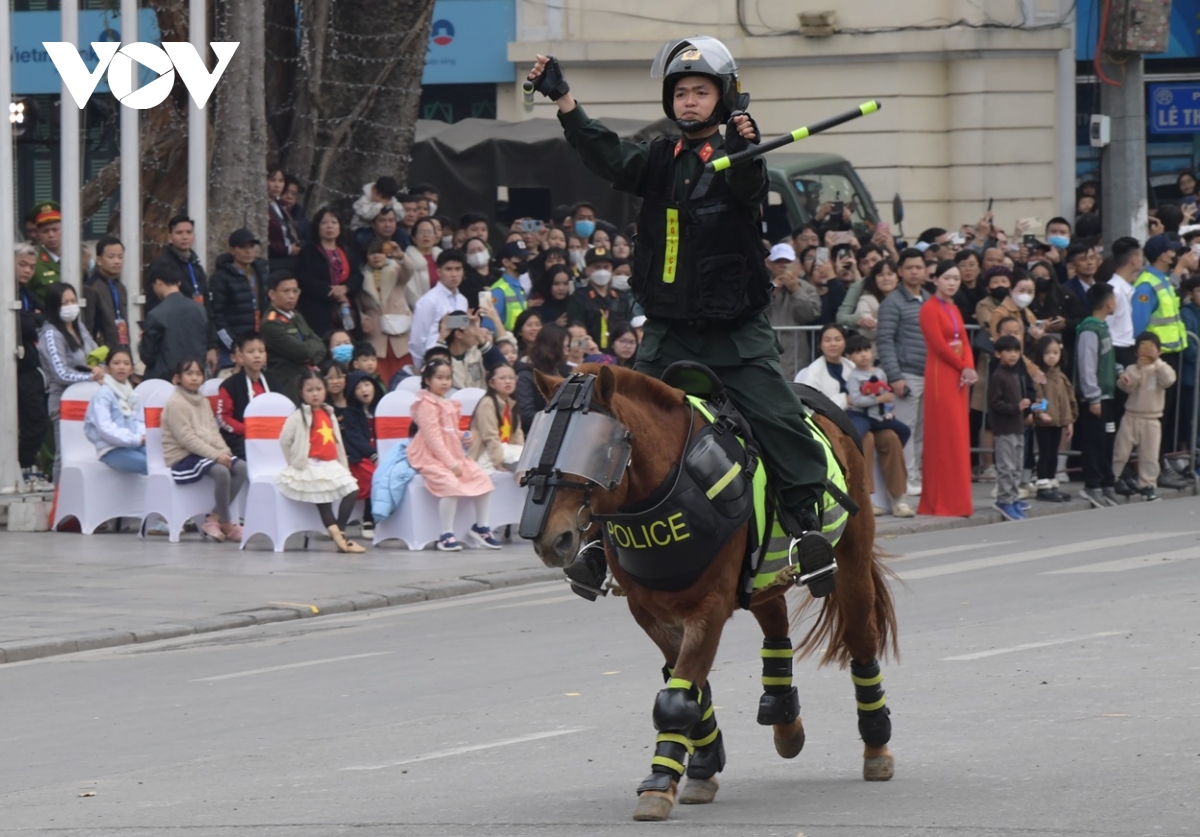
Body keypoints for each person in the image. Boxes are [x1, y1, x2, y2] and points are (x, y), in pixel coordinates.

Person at [531, 38, 844, 600]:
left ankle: (806, 533)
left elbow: (751, 188)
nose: (690, 101)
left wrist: (744, 145)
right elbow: (606, 155)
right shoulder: (655, 159)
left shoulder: (740, 156)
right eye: (681, 92)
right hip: (669, 333)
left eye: (701, 92)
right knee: (611, 421)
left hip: (736, 333)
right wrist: (565, 100)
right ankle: (600, 542)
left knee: (781, 421)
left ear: (722, 100)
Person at [406, 358, 500, 551]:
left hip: (452, 452)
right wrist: (449, 463)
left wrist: (463, 435)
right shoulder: (426, 404)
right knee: (449, 485)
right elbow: (433, 438)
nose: (445, 382)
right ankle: (445, 534)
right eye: (439, 378)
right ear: (427, 380)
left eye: (448, 378)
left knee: (482, 478)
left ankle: (481, 527)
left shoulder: (448, 402)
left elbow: (447, 431)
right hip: (429, 455)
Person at [275, 368, 365, 553]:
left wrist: (341, 462)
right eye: (309, 390)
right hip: (311, 464)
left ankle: (339, 531)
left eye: (318, 389)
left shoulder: (329, 412)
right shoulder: (298, 416)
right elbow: (285, 440)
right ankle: (342, 540)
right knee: (323, 501)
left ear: (325, 390)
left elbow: (337, 439)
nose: (315, 394)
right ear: (301, 393)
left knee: (352, 490)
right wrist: (295, 461)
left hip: (331, 463)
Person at [161, 357, 248, 542]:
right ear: (177, 378)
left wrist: (225, 452)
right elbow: (187, 439)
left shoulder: (203, 401)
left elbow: (213, 431)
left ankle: (213, 518)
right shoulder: (175, 403)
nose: (194, 378)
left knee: (241, 468)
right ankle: (226, 523)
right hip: (183, 456)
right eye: (189, 373)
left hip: (204, 453)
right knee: (221, 471)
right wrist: (216, 456)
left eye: (198, 374)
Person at [918, 260, 977, 517]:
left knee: (958, 437)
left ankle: (958, 501)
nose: (952, 283)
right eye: (947, 278)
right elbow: (939, 346)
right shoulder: (929, 309)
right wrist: (963, 366)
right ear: (936, 280)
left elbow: (964, 339)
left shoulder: (953, 307)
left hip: (958, 374)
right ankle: (942, 502)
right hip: (941, 374)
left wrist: (969, 367)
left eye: (956, 278)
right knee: (945, 437)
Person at [1132, 234, 1190, 486]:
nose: (1174, 254)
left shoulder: (1162, 280)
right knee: (1158, 417)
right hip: (1157, 360)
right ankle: (1156, 467)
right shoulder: (1146, 285)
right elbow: (1140, 328)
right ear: (1160, 254)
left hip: (1171, 357)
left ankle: (1163, 461)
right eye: (1170, 251)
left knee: (1167, 416)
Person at [38, 282, 104, 482]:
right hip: (64, 402)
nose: (70, 306)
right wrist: (91, 376)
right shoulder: (50, 333)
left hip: (88, 399)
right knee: (66, 454)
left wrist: (100, 367)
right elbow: (61, 373)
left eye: (73, 301)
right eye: (64, 302)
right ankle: (61, 501)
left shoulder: (79, 327)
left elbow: (94, 352)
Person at [877, 248, 930, 494]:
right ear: (900, 271)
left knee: (922, 429)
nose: (914, 271)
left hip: (930, 374)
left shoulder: (930, 299)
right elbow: (885, 340)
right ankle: (907, 478)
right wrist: (895, 377)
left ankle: (917, 474)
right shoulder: (892, 302)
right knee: (906, 428)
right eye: (909, 267)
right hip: (906, 374)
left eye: (919, 267)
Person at [844, 333, 913, 518]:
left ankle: (899, 498)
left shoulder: (879, 372)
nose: (864, 355)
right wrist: (879, 399)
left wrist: (888, 408)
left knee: (898, 434)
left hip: (880, 417)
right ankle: (866, 498)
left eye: (866, 350)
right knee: (859, 438)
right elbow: (857, 401)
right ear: (850, 357)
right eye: (858, 352)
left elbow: (887, 395)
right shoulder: (853, 377)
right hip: (862, 416)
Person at [143, 215, 217, 373]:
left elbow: (208, 308)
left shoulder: (197, 267)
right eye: (179, 233)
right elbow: (154, 306)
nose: (185, 237)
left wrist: (212, 345)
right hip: (172, 339)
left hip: (197, 335)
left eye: (189, 232)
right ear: (170, 237)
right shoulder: (163, 265)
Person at [1112, 332, 1177, 500]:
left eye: (1151, 348)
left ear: (1159, 351)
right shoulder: (1132, 369)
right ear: (1136, 352)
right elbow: (1125, 386)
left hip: (1152, 419)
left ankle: (1148, 486)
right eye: (1143, 348)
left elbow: (1169, 380)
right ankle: (1113, 478)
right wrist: (1138, 371)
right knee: (1121, 451)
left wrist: (1157, 362)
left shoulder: (1161, 368)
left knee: (1150, 455)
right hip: (1131, 416)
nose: (1147, 352)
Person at [1075, 283, 1120, 508]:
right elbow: (1087, 365)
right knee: (1094, 441)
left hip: (1108, 395)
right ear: (1108, 302)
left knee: (1107, 440)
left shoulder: (1103, 328)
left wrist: (1119, 371)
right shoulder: (1089, 329)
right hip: (1096, 398)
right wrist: (1093, 396)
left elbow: (1105, 361)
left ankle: (1106, 481)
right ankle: (1092, 484)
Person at [261, 270, 329, 404]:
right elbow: (302, 351)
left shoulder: (296, 316)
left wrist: (310, 357)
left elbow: (321, 345)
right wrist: (308, 352)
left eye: (295, 291)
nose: (292, 296)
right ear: (272, 294)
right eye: (286, 291)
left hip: (306, 381)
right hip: (287, 384)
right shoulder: (270, 323)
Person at [15, 245, 51, 487]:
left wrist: (35, 318)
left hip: (27, 365)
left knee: (37, 419)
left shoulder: (27, 292)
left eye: (31, 266)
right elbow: (24, 324)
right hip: (13, 364)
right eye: (22, 265)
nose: (27, 270)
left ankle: (23, 463)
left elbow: (45, 316)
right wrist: (34, 319)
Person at [296, 208, 361, 337]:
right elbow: (304, 278)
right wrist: (330, 291)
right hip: (318, 309)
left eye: (334, 222)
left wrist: (345, 288)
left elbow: (358, 276)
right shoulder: (309, 251)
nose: (329, 226)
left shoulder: (346, 251)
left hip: (345, 307)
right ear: (317, 227)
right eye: (324, 223)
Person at [140, 264, 210, 382]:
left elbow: (148, 355)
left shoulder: (156, 314)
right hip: (194, 378)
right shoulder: (199, 310)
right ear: (179, 283)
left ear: (158, 282)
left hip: (164, 379)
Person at [210, 228, 268, 370]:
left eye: (251, 247)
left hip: (257, 342)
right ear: (232, 250)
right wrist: (233, 345)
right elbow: (217, 316)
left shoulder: (261, 271)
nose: (248, 251)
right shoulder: (221, 277)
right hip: (232, 345)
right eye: (243, 247)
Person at [82, 346, 146, 475]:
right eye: (116, 363)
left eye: (126, 363)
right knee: (148, 464)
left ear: (132, 369)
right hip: (111, 449)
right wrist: (136, 439)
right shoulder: (103, 394)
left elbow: (139, 421)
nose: (121, 367)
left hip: (133, 444)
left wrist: (141, 437)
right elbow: (105, 429)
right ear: (107, 368)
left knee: (161, 459)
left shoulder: (132, 394)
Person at [216, 332, 280, 459]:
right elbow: (223, 418)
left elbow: (282, 409)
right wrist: (248, 430)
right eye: (251, 352)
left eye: (261, 351)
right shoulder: (229, 385)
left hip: (271, 434)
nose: (257, 356)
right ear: (240, 357)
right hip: (240, 438)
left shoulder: (273, 381)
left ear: (266, 355)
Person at [359, 238, 414, 384]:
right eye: (372, 253)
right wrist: (362, 318)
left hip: (399, 334)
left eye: (380, 253)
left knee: (404, 379)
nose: (376, 256)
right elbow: (357, 304)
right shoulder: (361, 276)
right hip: (376, 333)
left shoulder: (396, 270)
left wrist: (400, 255)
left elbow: (410, 270)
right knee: (380, 379)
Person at [989, 335, 1031, 520]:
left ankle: (1013, 497)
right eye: (1008, 351)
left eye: (1016, 350)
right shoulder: (998, 376)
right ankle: (1004, 500)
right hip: (1004, 428)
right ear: (998, 354)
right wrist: (1016, 408)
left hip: (1017, 426)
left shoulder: (1015, 373)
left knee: (1016, 466)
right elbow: (995, 403)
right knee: (1006, 466)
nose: (1013, 355)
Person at [765, 242, 820, 379]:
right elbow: (754, 312)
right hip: (767, 350)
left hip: (796, 353)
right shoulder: (760, 288)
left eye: (788, 262)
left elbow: (809, 315)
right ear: (769, 265)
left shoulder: (807, 289)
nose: (783, 266)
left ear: (796, 265)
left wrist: (796, 290)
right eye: (778, 262)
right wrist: (771, 291)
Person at [1031, 335, 1077, 502]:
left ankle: (1051, 483)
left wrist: (1070, 420)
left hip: (1058, 422)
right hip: (1045, 422)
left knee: (1054, 453)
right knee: (1045, 453)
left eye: (1055, 353)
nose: (1052, 356)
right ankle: (1042, 485)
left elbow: (1068, 400)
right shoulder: (1039, 376)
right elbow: (1036, 397)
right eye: (1047, 353)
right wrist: (1040, 413)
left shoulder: (1061, 376)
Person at [409, 250, 470, 370]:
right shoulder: (428, 301)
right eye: (449, 269)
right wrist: (423, 367)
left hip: (459, 362)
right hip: (434, 363)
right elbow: (416, 341)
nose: (454, 274)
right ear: (439, 272)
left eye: (458, 269)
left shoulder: (463, 300)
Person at [566, 246, 633, 351]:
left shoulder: (621, 298)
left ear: (611, 270)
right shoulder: (578, 298)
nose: (602, 271)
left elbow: (628, 328)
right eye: (597, 267)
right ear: (587, 270)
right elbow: (575, 332)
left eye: (606, 267)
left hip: (617, 355)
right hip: (588, 355)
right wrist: (588, 352)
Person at [343, 370, 384, 536]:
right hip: (361, 456)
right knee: (375, 475)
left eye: (367, 384)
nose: (364, 390)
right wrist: (373, 455)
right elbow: (355, 438)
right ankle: (369, 519)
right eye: (358, 387)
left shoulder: (382, 409)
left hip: (383, 453)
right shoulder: (350, 413)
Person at [468, 364, 525, 473]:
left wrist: (523, 452)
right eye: (502, 378)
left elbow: (517, 433)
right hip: (487, 453)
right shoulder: (487, 403)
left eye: (511, 378)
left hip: (506, 450)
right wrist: (498, 461)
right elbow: (490, 436)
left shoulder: (511, 403)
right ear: (491, 383)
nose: (508, 381)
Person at [515, 322, 570, 431]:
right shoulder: (526, 375)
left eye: (567, 347)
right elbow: (526, 415)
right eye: (563, 348)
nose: (566, 353)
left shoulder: (564, 372)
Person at [81, 235, 129, 351]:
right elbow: (88, 328)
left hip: (122, 349)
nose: (117, 261)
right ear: (99, 260)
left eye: (120, 257)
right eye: (111, 257)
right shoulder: (91, 288)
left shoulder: (120, 287)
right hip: (102, 353)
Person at [794, 323, 854, 409]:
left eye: (838, 339)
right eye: (827, 340)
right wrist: (844, 400)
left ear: (845, 342)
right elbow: (812, 404)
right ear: (820, 345)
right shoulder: (813, 372)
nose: (833, 344)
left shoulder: (851, 366)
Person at [851, 259, 898, 347]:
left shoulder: (905, 299)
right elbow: (866, 331)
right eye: (880, 275)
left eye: (890, 274)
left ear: (898, 277)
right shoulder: (866, 300)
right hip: (876, 352)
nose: (886, 278)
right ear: (874, 279)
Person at [267, 167, 302, 271]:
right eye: (272, 180)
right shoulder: (262, 207)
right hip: (275, 260)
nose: (277, 185)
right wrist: (288, 249)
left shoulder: (280, 205)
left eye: (281, 181)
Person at [491, 240, 531, 331]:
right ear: (506, 262)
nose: (524, 261)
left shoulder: (519, 288)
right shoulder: (498, 291)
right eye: (520, 258)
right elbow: (490, 327)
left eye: (526, 257)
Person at [29, 202, 64, 302]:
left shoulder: (76, 257)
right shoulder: (34, 261)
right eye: (45, 231)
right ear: (38, 235)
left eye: (55, 229)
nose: (51, 235)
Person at [404, 217, 443, 300]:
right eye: (421, 232)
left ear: (436, 237)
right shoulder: (408, 260)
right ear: (414, 237)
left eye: (429, 232)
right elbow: (410, 293)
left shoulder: (442, 257)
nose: (426, 236)